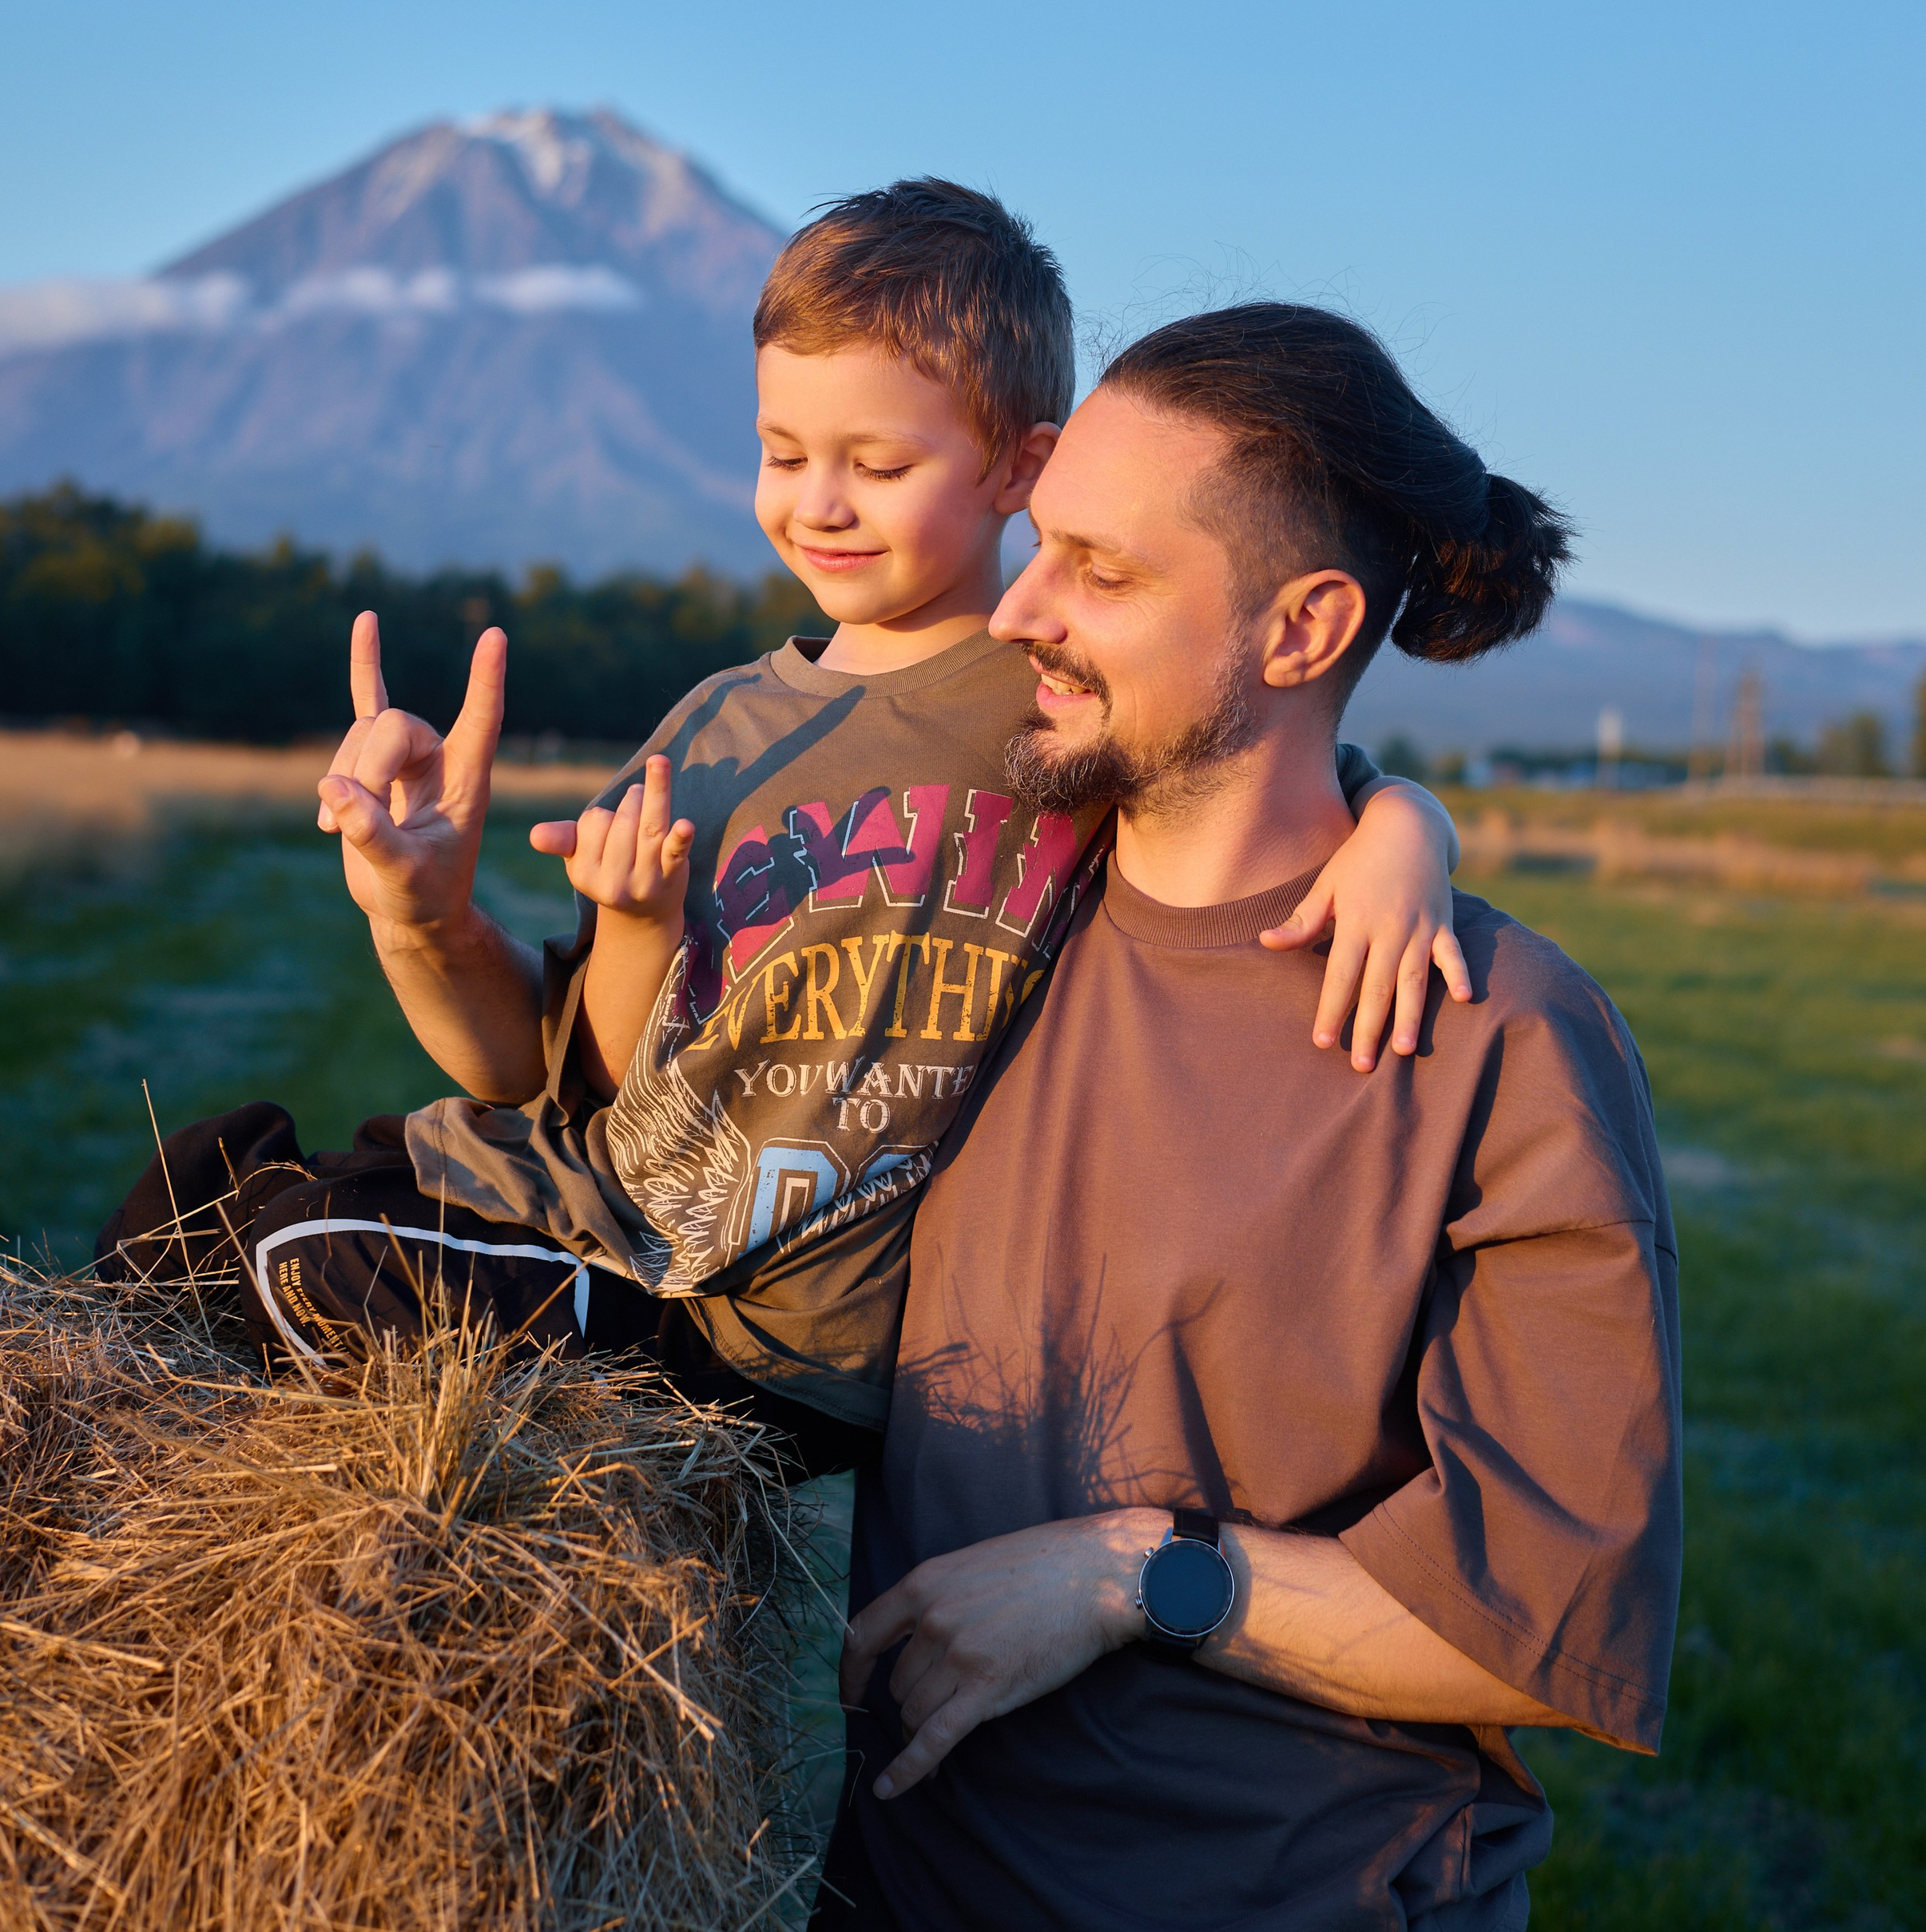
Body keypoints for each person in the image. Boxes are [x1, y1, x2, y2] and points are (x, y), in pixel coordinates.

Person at [746, 303, 1682, 1932]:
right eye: (1038, 542)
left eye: (1100, 568)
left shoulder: (1487, 1033)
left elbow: (1544, 1628)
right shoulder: (952, 926)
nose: (1021, 610)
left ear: (1297, 629)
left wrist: (1125, 1575)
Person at [97, 188, 1464, 1438]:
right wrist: (427, 910)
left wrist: (1409, 828)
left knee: (294, 1261)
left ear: (1018, 469)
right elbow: (560, 1076)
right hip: (596, 1209)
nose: (818, 504)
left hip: (763, 1325)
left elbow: (1268, 758)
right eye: (781, 451)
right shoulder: (712, 729)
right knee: (188, 1221)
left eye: (875, 464)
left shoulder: (1054, 697)